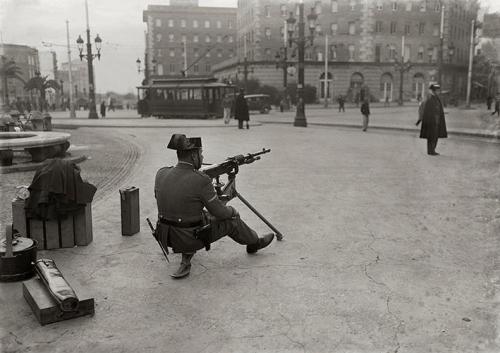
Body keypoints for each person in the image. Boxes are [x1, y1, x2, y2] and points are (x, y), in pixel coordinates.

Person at [154, 134, 274, 278]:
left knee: (191, 211)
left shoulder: (161, 173)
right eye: (201, 153)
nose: (203, 158)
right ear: (193, 156)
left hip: (166, 236)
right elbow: (221, 214)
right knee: (231, 219)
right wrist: (231, 210)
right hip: (189, 237)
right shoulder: (201, 180)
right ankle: (254, 243)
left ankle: (186, 258)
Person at [416, 82, 447, 156]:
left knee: (435, 136)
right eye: (437, 90)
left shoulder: (436, 98)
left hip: (437, 120)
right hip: (431, 121)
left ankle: (433, 150)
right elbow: (426, 110)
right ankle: (430, 151)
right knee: (431, 137)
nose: (438, 91)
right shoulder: (430, 98)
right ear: (434, 90)